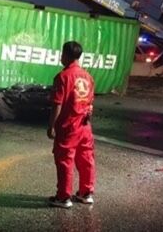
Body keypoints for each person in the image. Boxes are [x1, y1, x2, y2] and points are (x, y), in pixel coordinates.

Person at [47, 41, 96, 208]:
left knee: (65, 161)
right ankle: (86, 193)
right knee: (86, 159)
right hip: (85, 126)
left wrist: (52, 125)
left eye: (62, 54)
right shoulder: (88, 77)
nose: (61, 57)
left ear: (66, 55)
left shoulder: (62, 77)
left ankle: (63, 197)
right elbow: (90, 103)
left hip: (69, 127)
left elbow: (57, 104)